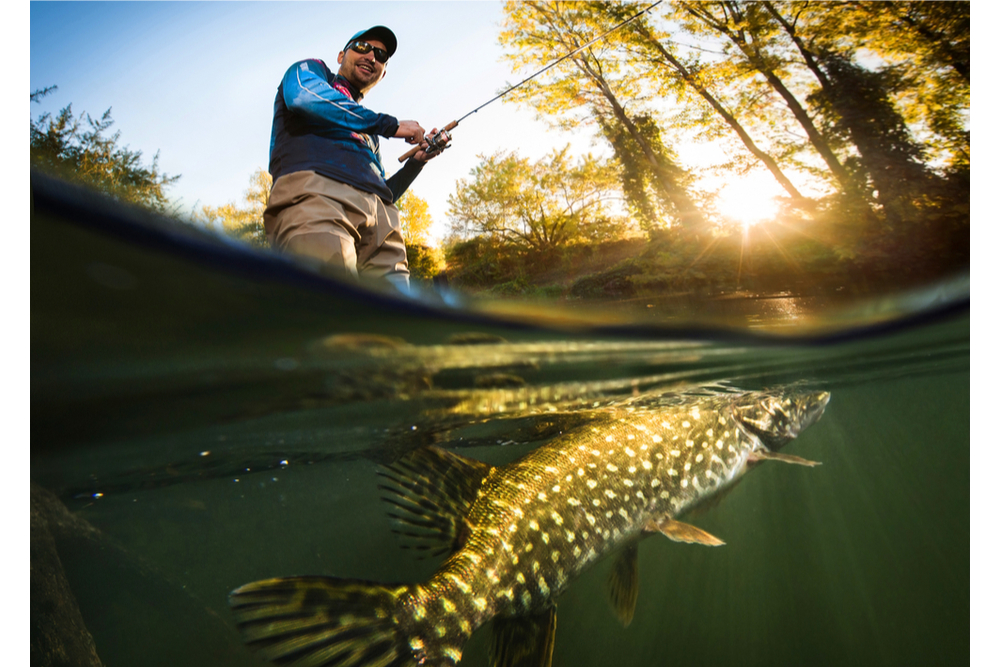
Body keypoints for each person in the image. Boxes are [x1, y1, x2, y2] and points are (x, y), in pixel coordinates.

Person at [263, 25, 449, 291]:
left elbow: (384, 191)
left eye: (381, 56)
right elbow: (303, 97)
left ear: (382, 74)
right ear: (341, 55)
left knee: (395, 320)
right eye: (362, 47)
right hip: (318, 196)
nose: (372, 57)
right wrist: (389, 125)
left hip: (383, 224)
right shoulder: (312, 71)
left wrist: (416, 162)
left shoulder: (370, 132)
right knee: (330, 306)